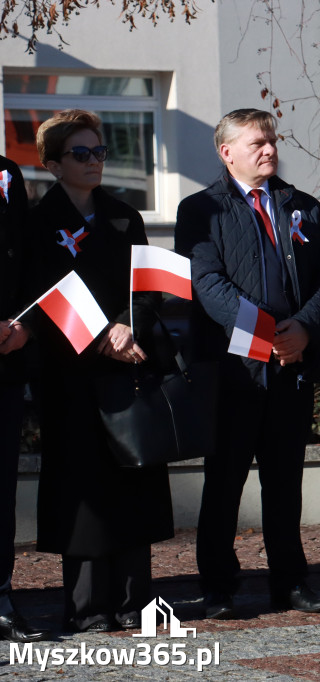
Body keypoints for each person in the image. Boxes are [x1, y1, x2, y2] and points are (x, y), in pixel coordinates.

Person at [175, 108, 320, 618]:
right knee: (224, 481)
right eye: (257, 144)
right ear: (227, 153)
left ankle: (290, 581)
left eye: (271, 140)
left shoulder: (302, 206)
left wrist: (305, 329)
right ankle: (219, 587)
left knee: (284, 481)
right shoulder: (201, 209)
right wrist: (265, 335)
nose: (269, 150)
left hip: (292, 367)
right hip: (234, 372)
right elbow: (206, 284)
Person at [23, 110, 173, 632]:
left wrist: (126, 326)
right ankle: (88, 608)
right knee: (82, 491)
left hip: (125, 369)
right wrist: (97, 338)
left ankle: (136, 605)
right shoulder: (39, 223)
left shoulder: (123, 216)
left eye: (100, 152)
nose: (94, 162)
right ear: (54, 164)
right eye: (81, 154)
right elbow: (40, 300)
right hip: (72, 378)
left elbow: (147, 285)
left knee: (133, 486)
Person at [0, 155, 50, 643]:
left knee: (1, 489)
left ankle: (1, 596)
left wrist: (27, 325)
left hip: (5, 358)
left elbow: (28, 263)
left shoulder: (7, 174)